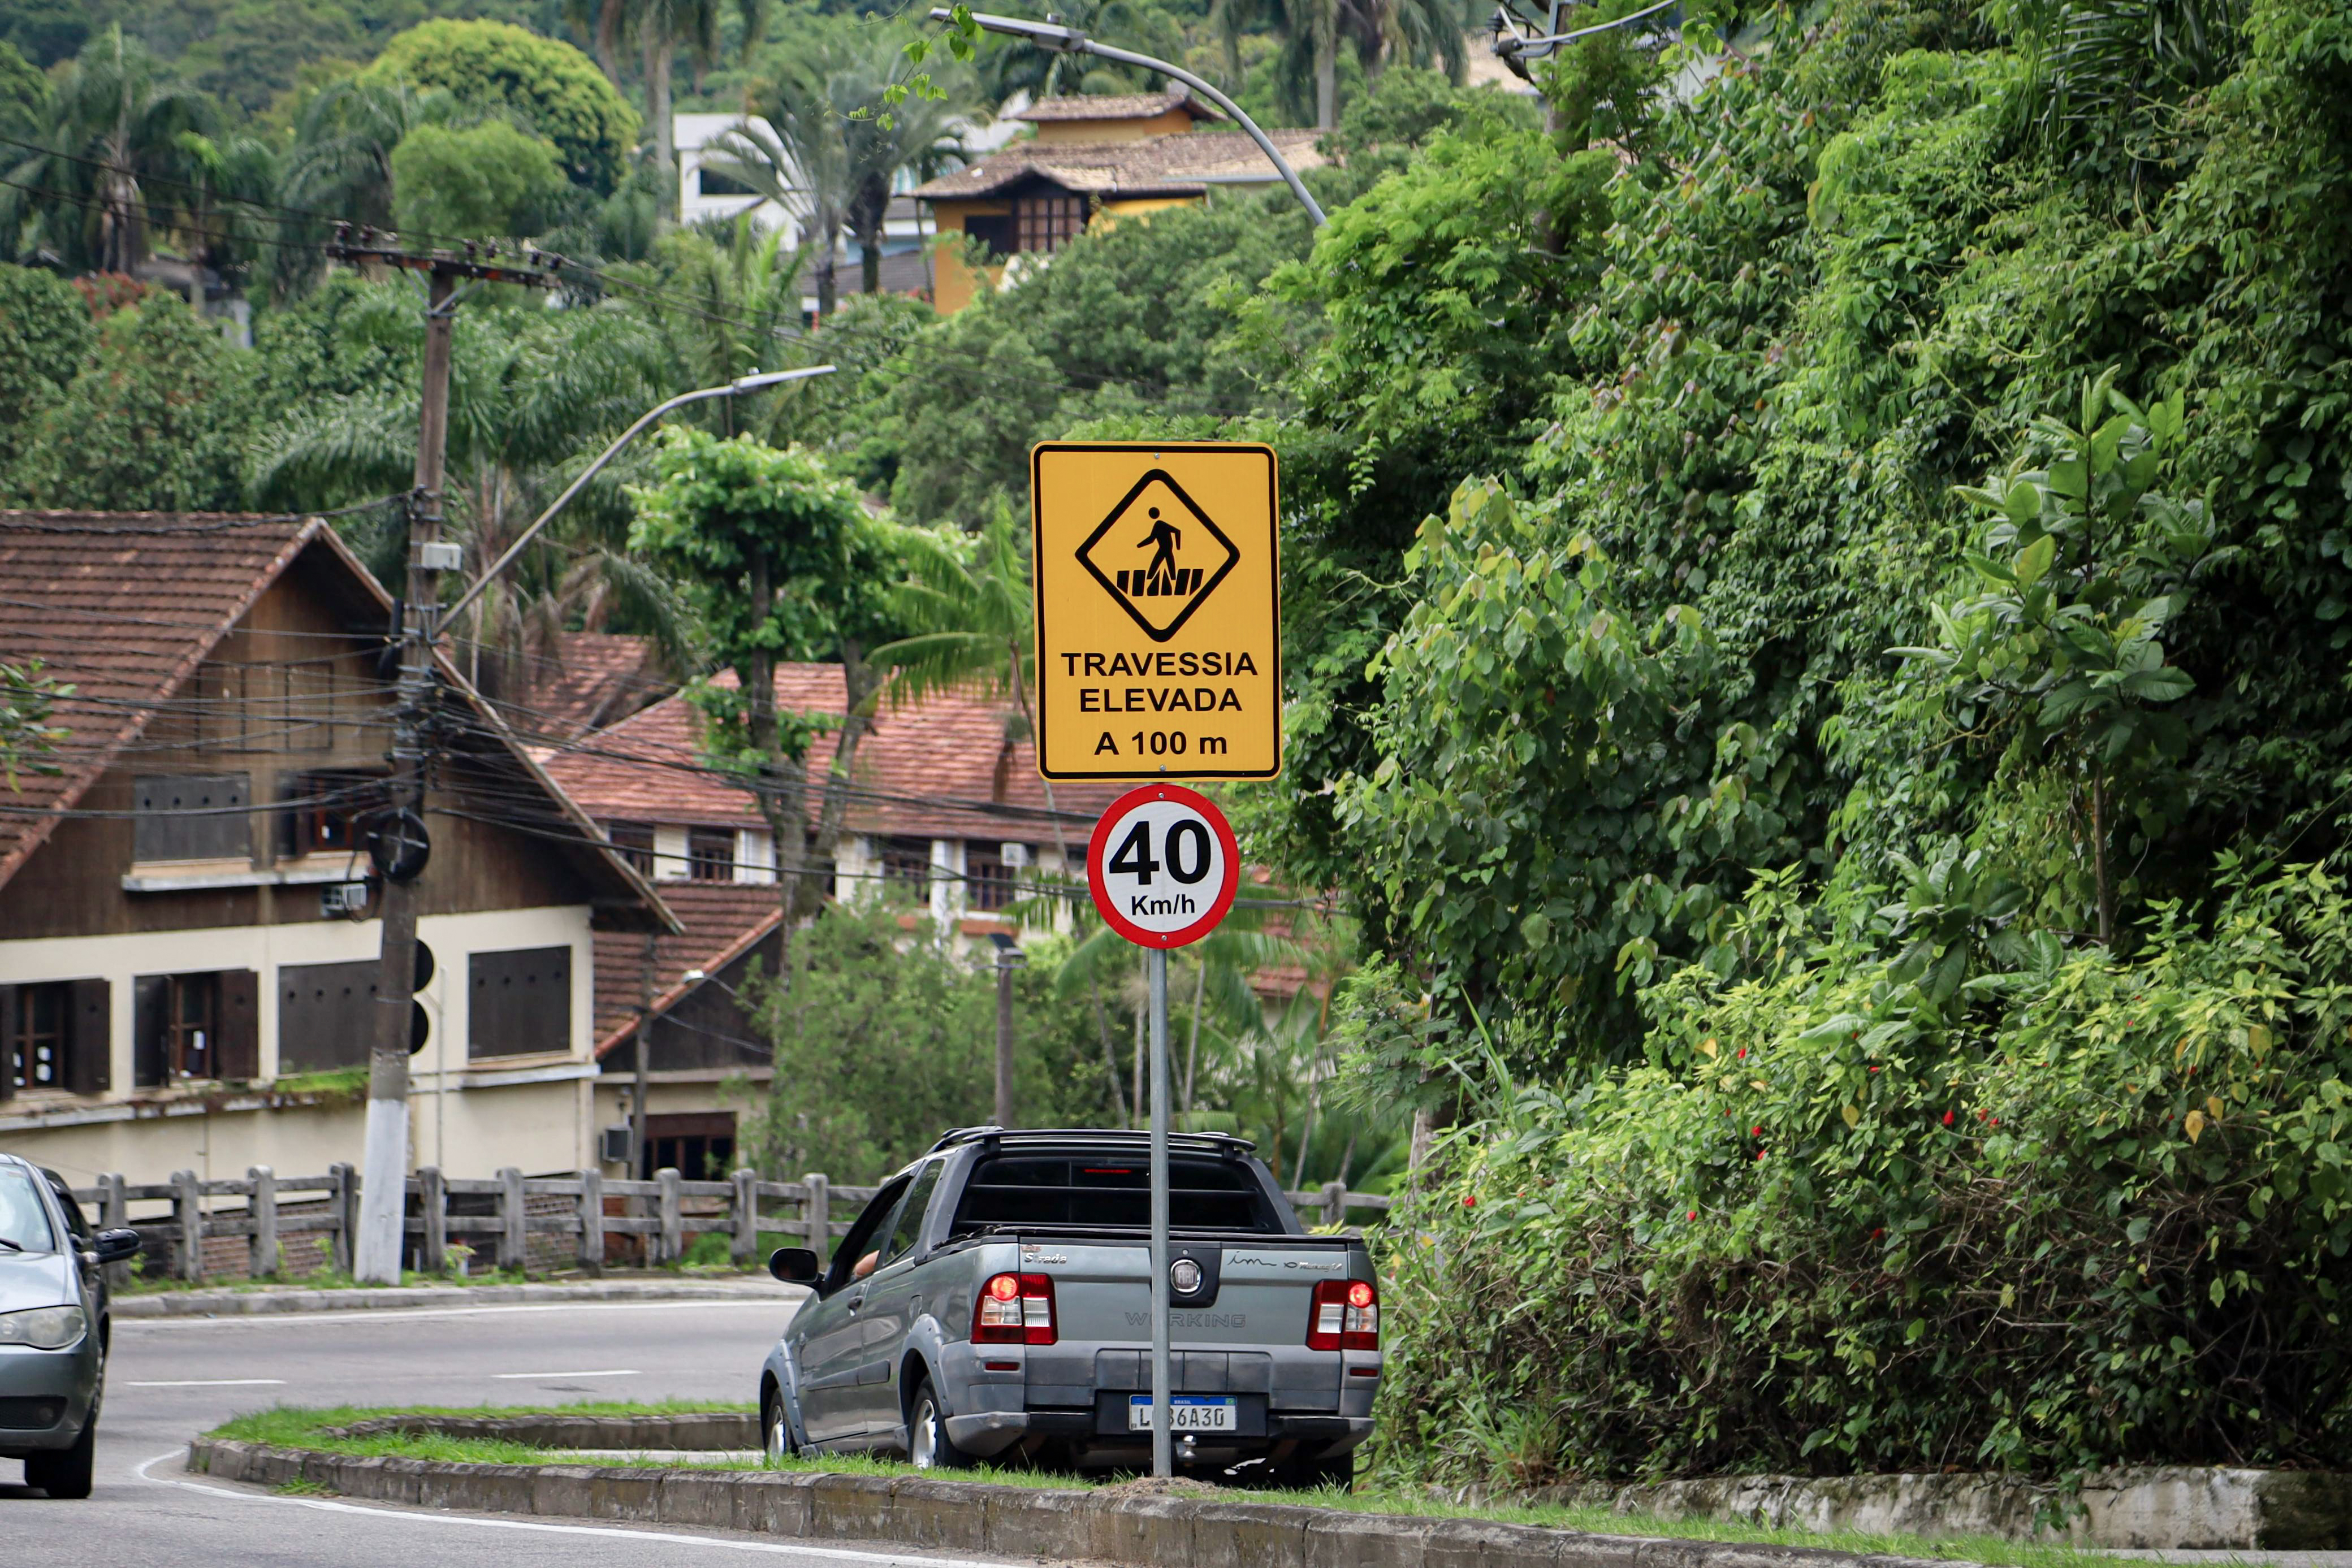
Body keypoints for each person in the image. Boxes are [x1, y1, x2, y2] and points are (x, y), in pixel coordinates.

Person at [1139, 508, 1181, 581]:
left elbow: (1177, 531)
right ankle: (1149, 579)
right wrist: (1140, 545)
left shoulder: (1160, 524)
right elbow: (1152, 539)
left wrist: (1178, 547)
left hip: (1166, 549)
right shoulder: (1158, 525)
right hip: (1164, 549)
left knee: (1156, 566)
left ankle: (1149, 579)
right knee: (1158, 567)